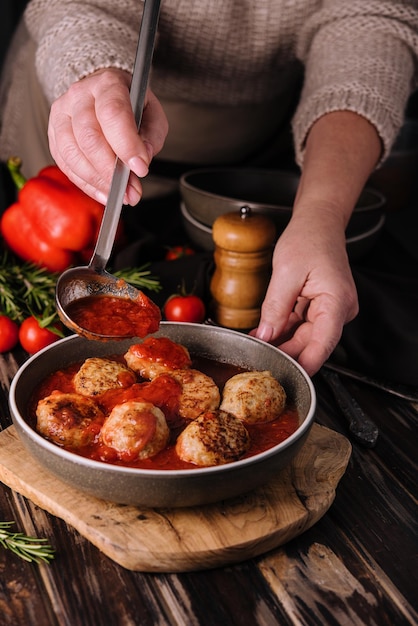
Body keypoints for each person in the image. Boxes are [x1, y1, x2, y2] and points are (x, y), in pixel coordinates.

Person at [1, 0, 417, 379]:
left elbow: (370, 20)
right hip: (90, 104)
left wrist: (322, 212)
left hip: (266, 137)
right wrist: (93, 69)